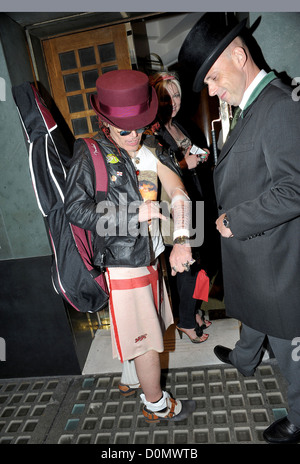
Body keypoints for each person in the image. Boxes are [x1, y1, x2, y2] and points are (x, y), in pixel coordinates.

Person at [179, 12, 300, 443]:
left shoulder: (280, 105)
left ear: (238, 54)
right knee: (252, 314)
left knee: (290, 350)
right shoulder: (253, 104)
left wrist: (235, 219)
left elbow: (295, 188)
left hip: (275, 261)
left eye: (212, 78)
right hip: (255, 255)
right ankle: (246, 359)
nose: (212, 90)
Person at [64, 69, 196, 423]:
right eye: (126, 129)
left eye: (141, 124)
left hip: (151, 256)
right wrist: (132, 213)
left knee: (146, 326)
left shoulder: (150, 144)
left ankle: (129, 377)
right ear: (105, 122)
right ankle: (155, 403)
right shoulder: (89, 152)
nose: (135, 134)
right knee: (148, 340)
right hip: (123, 263)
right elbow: (75, 210)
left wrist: (183, 240)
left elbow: (180, 194)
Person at [149, 71, 211, 344]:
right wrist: (187, 164)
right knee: (184, 268)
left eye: (176, 95)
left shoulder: (177, 125)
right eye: (166, 96)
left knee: (201, 265)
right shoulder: (153, 132)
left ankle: (194, 312)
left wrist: (200, 154)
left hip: (195, 202)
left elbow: (191, 152)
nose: (173, 101)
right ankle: (185, 321)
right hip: (174, 211)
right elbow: (159, 173)